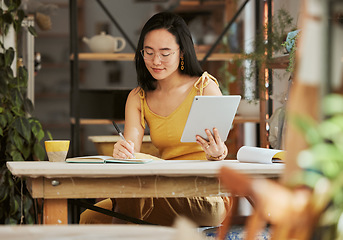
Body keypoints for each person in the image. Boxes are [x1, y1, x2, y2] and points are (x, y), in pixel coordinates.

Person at [80, 11, 231, 227]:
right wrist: (123, 152)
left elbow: (220, 149)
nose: (155, 61)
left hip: (205, 197)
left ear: (181, 52)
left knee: (126, 207)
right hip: (162, 190)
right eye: (148, 52)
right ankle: (123, 221)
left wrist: (217, 155)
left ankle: (121, 224)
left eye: (165, 53)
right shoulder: (137, 97)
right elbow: (132, 150)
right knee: (90, 217)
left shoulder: (204, 88)